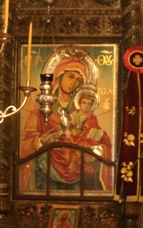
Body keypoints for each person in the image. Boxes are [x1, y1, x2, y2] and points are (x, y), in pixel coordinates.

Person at [19, 57, 90, 191]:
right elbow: (26, 141)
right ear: (59, 75)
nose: (73, 83)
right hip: (46, 167)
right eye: (70, 77)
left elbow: (92, 135)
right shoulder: (41, 107)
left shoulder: (81, 109)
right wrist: (41, 141)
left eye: (78, 80)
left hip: (75, 166)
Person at [68, 85, 113, 192]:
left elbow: (95, 129)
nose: (86, 106)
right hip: (75, 141)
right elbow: (68, 130)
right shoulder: (73, 115)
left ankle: (93, 187)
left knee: (99, 149)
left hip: (88, 142)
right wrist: (77, 134)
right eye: (84, 103)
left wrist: (98, 135)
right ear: (79, 103)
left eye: (89, 104)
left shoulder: (92, 117)